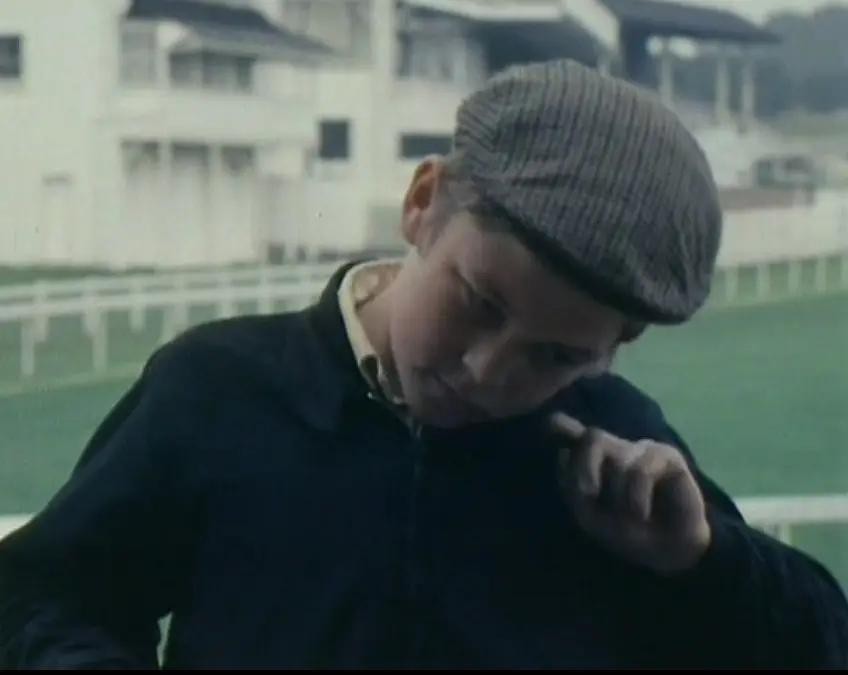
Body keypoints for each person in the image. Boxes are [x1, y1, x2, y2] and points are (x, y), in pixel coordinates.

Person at [1, 59, 846, 669]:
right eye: (479, 301)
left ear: (618, 346)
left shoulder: (617, 443)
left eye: (556, 355)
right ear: (422, 203)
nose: (485, 370)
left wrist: (702, 561)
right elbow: (44, 593)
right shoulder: (215, 388)